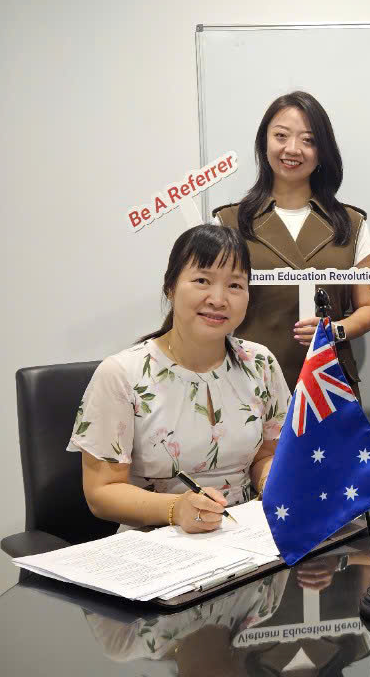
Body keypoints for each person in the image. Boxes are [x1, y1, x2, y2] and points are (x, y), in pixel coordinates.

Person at [69, 224, 289, 533]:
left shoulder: (260, 363)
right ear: (170, 287)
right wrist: (176, 509)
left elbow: (266, 454)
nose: (218, 299)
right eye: (202, 281)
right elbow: (101, 492)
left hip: (244, 534)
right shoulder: (121, 374)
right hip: (156, 540)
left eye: (235, 285)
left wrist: (271, 483)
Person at [212, 91, 370, 389]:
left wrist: (335, 330)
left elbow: (368, 307)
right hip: (250, 382)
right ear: (264, 141)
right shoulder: (229, 222)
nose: (292, 149)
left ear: (322, 151)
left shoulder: (352, 224)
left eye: (308, 140)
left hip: (329, 385)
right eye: (281, 136)